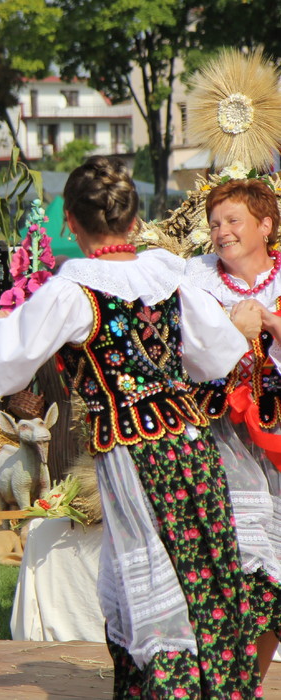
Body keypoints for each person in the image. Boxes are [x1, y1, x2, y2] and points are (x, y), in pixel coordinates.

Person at [0, 157, 274, 698]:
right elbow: (212, 358)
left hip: (136, 457)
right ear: (133, 220)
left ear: (71, 223)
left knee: (153, 589)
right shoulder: (170, 275)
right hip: (191, 448)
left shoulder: (76, 289)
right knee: (201, 580)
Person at [186, 177, 281, 677]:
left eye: (233, 220)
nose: (221, 232)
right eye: (215, 222)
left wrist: (269, 321)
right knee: (241, 558)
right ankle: (229, 677)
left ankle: (252, 680)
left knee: (278, 571)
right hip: (219, 434)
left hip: (279, 435)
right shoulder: (195, 278)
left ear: (265, 225)